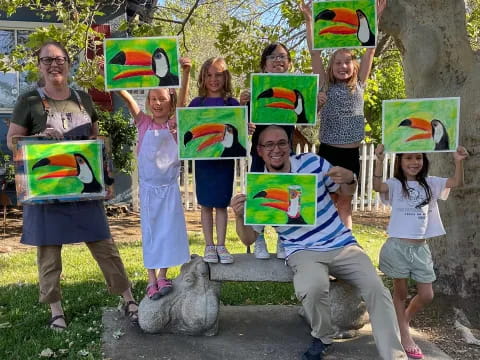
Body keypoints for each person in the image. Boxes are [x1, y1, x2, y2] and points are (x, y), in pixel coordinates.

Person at [230, 125, 407, 360]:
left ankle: (395, 355)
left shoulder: (313, 163)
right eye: (269, 145)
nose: (276, 149)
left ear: (289, 146)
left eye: (282, 143)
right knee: (311, 288)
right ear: (260, 151)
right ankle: (323, 337)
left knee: (376, 288)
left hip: (341, 242)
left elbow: (346, 192)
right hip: (301, 250)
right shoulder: (260, 183)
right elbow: (248, 238)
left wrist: (350, 179)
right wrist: (239, 216)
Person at [6, 41, 138, 330]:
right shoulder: (28, 101)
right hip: (47, 187)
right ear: (38, 64)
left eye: (60, 58)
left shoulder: (83, 99)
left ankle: (127, 298)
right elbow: (12, 140)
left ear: (68, 62)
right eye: (47, 59)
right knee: (49, 253)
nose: (54, 64)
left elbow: (95, 141)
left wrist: (106, 178)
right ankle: (56, 311)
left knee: (105, 245)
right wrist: (40, 138)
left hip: (83, 186)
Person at [373, 145, 468, 359]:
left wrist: (458, 160)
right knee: (401, 293)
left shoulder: (431, 183)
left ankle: (404, 319)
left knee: (427, 295)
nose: (414, 162)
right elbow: (377, 186)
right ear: (400, 161)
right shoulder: (396, 184)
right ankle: (404, 335)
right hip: (398, 247)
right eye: (409, 158)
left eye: (418, 158)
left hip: (420, 248)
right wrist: (379, 160)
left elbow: (457, 182)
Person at [301, 0, 387, 229]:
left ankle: (346, 243)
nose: (343, 66)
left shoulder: (360, 84)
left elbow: (370, 49)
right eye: (338, 62)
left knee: (345, 204)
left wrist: (374, 20)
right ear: (331, 68)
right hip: (328, 152)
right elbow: (315, 54)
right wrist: (310, 22)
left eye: (347, 62)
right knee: (329, 202)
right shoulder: (325, 86)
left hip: (352, 155)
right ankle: (326, 240)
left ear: (355, 66)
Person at [116, 57, 191, 300]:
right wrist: (113, 77)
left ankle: (163, 275)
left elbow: (183, 101)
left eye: (162, 98)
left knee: (168, 232)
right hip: (148, 191)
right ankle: (151, 279)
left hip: (168, 189)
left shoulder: (173, 125)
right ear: (148, 101)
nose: (157, 103)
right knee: (150, 233)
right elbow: (127, 99)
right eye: (153, 98)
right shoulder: (143, 123)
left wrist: (185, 72)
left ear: (170, 101)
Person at [238, 42, 295, 260]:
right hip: (261, 152)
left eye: (282, 57)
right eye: (273, 57)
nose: (278, 60)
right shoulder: (255, 91)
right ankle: (259, 237)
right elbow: (244, 124)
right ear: (264, 64)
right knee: (260, 193)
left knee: (284, 193)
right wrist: (244, 106)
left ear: (288, 63)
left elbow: (305, 116)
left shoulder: (296, 88)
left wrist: (315, 103)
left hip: (284, 152)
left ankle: (283, 237)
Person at [189, 57, 239, 264]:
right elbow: (188, 127)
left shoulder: (232, 103)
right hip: (204, 162)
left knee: (221, 204)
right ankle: (209, 245)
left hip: (224, 162)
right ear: (202, 78)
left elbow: (239, 132)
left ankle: (221, 244)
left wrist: (248, 127)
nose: (213, 79)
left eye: (218, 74)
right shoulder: (196, 103)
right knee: (206, 204)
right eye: (209, 75)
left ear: (225, 76)